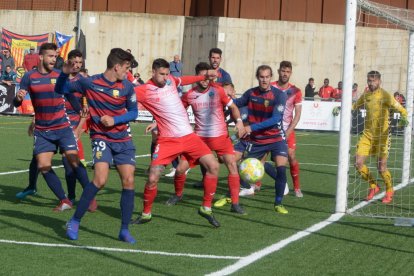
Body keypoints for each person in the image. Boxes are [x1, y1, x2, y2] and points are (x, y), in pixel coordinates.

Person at [56, 48, 138, 243]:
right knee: (100, 180)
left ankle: (124, 230)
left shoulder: (127, 87)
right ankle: (75, 221)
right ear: (117, 67)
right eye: (126, 68)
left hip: (123, 139)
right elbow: (60, 89)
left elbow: (134, 112)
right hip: (101, 136)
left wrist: (116, 119)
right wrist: (64, 74)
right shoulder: (89, 82)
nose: (128, 72)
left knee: (129, 181)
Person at [131, 58, 222, 227]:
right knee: (152, 178)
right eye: (162, 74)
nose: (165, 77)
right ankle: (146, 214)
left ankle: (206, 207)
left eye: (167, 74)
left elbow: (183, 80)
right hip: (167, 140)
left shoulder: (171, 81)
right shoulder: (143, 90)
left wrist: (204, 76)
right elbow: (123, 94)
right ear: (153, 72)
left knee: (214, 166)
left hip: (189, 137)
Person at [14, 43, 90, 211]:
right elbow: (16, 101)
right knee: (42, 164)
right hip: (42, 130)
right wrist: (18, 99)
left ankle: (89, 194)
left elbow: (70, 97)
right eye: (50, 56)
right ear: (41, 57)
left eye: (55, 56)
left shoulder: (60, 75)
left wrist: (81, 113)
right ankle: (64, 200)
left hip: (63, 127)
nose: (54, 59)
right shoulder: (29, 77)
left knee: (72, 161)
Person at [164, 62, 246, 214]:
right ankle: (178, 195)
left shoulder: (219, 91)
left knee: (232, 165)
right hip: (199, 140)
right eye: (201, 76)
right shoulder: (189, 95)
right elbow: (176, 112)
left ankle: (235, 203)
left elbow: (233, 107)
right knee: (180, 169)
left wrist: (239, 122)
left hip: (221, 137)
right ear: (196, 77)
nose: (204, 79)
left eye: (207, 76)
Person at [231, 65, 289, 214]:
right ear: (258, 77)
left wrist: (251, 128)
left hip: (276, 137)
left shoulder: (279, 95)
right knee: (240, 166)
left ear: (271, 77)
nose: (264, 80)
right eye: (261, 77)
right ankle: (230, 197)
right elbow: (236, 104)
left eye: (267, 77)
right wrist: (227, 96)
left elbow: (276, 118)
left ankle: (278, 203)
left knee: (281, 169)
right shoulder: (251, 93)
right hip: (258, 140)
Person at [353, 71, 408, 204]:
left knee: (381, 167)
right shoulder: (366, 95)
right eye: (369, 80)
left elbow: (402, 110)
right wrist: (341, 107)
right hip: (367, 135)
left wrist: (404, 119)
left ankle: (389, 190)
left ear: (379, 81)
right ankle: (373, 186)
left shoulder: (385, 95)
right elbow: (355, 106)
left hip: (383, 136)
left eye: (373, 81)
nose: (370, 83)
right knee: (358, 163)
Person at [270, 61, 303, 198]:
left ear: (290, 73)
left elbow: (298, 114)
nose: (285, 74)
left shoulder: (296, 91)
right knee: (263, 155)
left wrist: (288, 131)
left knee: (291, 156)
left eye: (287, 71)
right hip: (270, 129)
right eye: (283, 71)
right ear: (278, 71)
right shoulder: (270, 87)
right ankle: (256, 184)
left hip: (287, 130)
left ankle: (296, 187)